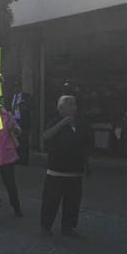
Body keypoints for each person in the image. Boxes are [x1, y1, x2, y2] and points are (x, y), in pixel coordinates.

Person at [40, 95, 91, 237]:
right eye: (70, 105)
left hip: (75, 171)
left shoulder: (80, 123)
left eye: (74, 104)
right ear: (61, 108)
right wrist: (62, 124)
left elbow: (85, 144)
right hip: (56, 170)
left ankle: (68, 227)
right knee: (51, 201)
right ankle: (46, 226)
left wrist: (86, 164)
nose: (74, 107)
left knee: (72, 202)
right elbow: (46, 136)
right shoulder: (54, 121)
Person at [10, 83, 32, 165]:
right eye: (14, 88)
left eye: (17, 87)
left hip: (23, 121)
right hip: (14, 120)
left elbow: (32, 106)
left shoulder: (26, 96)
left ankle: (24, 160)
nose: (15, 89)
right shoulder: (12, 96)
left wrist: (24, 106)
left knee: (24, 140)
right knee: (15, 140)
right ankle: (17, 158)